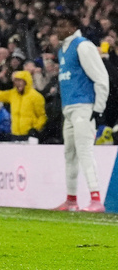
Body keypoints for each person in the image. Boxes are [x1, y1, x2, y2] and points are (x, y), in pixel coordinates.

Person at [49, 12, 110, 212]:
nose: (58, 30)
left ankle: (96, 199)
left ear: (73, 27)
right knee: (70, 154)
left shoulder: (83, 46)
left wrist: (98, 109)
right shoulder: (62, 49)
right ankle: (71, 199)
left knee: (84, 151)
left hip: (84, 106)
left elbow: (101, 78)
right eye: (57, 26)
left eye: (62, 25)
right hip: (69, 107)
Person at [0, 68, 46, 139]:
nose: (17, 83)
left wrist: (36, 129)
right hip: (15, 134)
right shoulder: (12, 94)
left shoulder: (36, 96)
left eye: (20, 81)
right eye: (16, 81)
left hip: (29, 135)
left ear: (26, 82)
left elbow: (42, 116)